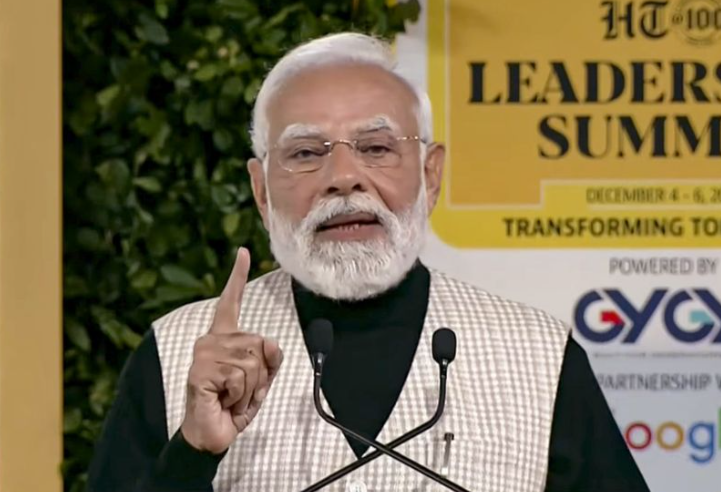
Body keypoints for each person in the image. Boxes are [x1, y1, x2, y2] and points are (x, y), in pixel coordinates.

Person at [86, 33, 649, 492]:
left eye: (377, 147)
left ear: (430, 174)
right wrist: (190, 455)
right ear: (260, 190)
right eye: (306, 153)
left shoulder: (539, 355)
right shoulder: (178, 353)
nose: (344, 178)